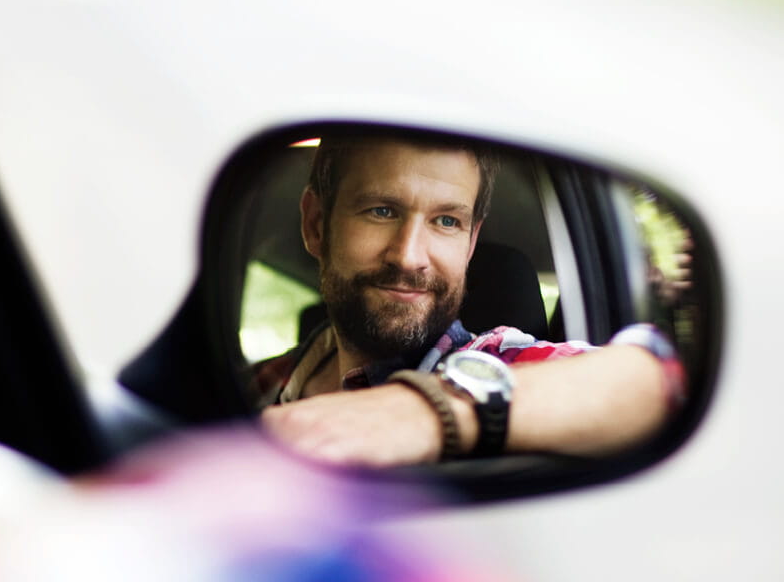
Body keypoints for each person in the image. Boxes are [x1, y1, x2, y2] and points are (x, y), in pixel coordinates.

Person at [257, 132, 684, 468]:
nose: (408, 256)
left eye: (446, 221)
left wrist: (426, 414)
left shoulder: (496, 365)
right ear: (316, 225)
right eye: (381, 210)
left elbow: (658, 379)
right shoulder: (259, 382)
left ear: (470, 243)